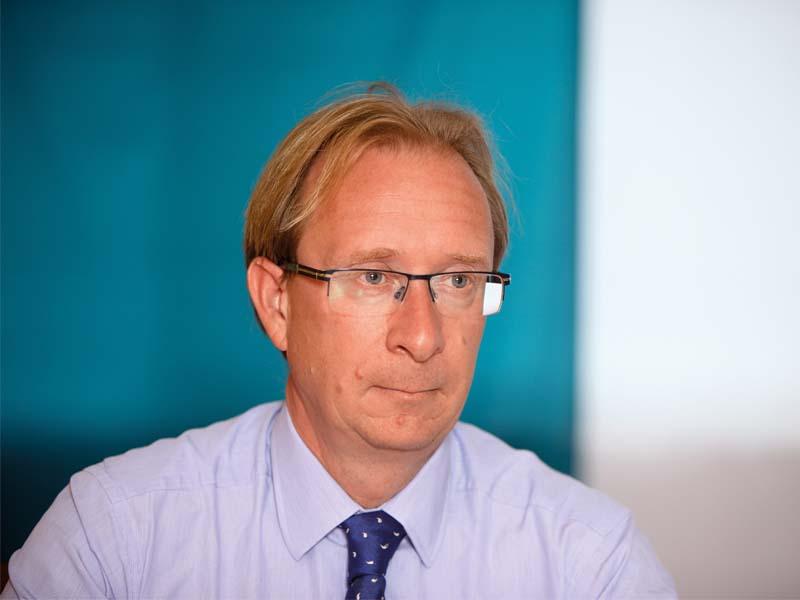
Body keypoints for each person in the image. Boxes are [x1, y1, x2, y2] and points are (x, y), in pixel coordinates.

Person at [1, 83, 676, 599]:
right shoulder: (116, 541)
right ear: (277, 303)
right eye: (374, 277)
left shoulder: (590, 565)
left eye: (458, 280)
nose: (422, 336)